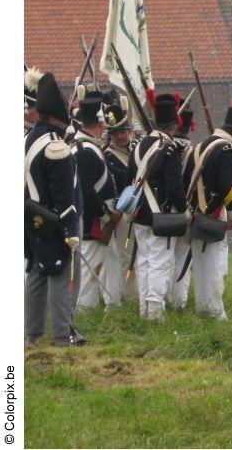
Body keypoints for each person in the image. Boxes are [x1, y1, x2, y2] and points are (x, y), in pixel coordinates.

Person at [24, 73, 83, 345]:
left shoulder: (27, 140)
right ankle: (62, 334)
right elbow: (65, 195)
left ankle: (31, 334)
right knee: (59, 273)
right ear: (57, 116)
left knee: (37, 271)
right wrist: (70, 229)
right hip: (54, 219)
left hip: (31, 217)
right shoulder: (55, 147)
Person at [187, 97, 232, 319]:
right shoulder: (229, 148)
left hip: (195, 213)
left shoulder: (200, 146)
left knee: (201, 263)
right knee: (214, 265)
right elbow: (226, 185)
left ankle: (202, 307)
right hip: (214, 214)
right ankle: (216, 311)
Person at [126, 92, 187, 320]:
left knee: (144, 262)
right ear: (173, 125)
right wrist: (184, 209)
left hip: (139, 214)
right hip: (160, 217)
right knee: (160, 263)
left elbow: (128, 180)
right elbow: (175, 186)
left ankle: (145, 309)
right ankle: (154, 312)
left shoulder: (138, 146)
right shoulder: (169, 148)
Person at [71, 88, 119, 310]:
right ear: (99, 124)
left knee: (110, 262)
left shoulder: (85, 147)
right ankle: (84, 311)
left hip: (98, 217)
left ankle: (113, 305)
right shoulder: (85, 151)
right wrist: (105, 215)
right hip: (94, 219)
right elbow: (86, 191)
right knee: (88, 268)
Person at [102, 97, 138, 305]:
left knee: (137, 255)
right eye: (116, 133)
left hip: (140, 210)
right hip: (121, 212)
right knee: (125, 255)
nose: (121, 136)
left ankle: (134, 295)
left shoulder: (137, 150)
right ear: (110, 135)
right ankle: (126, 296)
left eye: (124, 131)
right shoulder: (107, 157)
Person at [169, 98, 197, 310]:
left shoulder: (167, 148)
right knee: (181, 258)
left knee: (165, 258)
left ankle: (169, 299)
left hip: (163, 211)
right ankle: (178, 300)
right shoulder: (194, 152)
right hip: (186, 209)